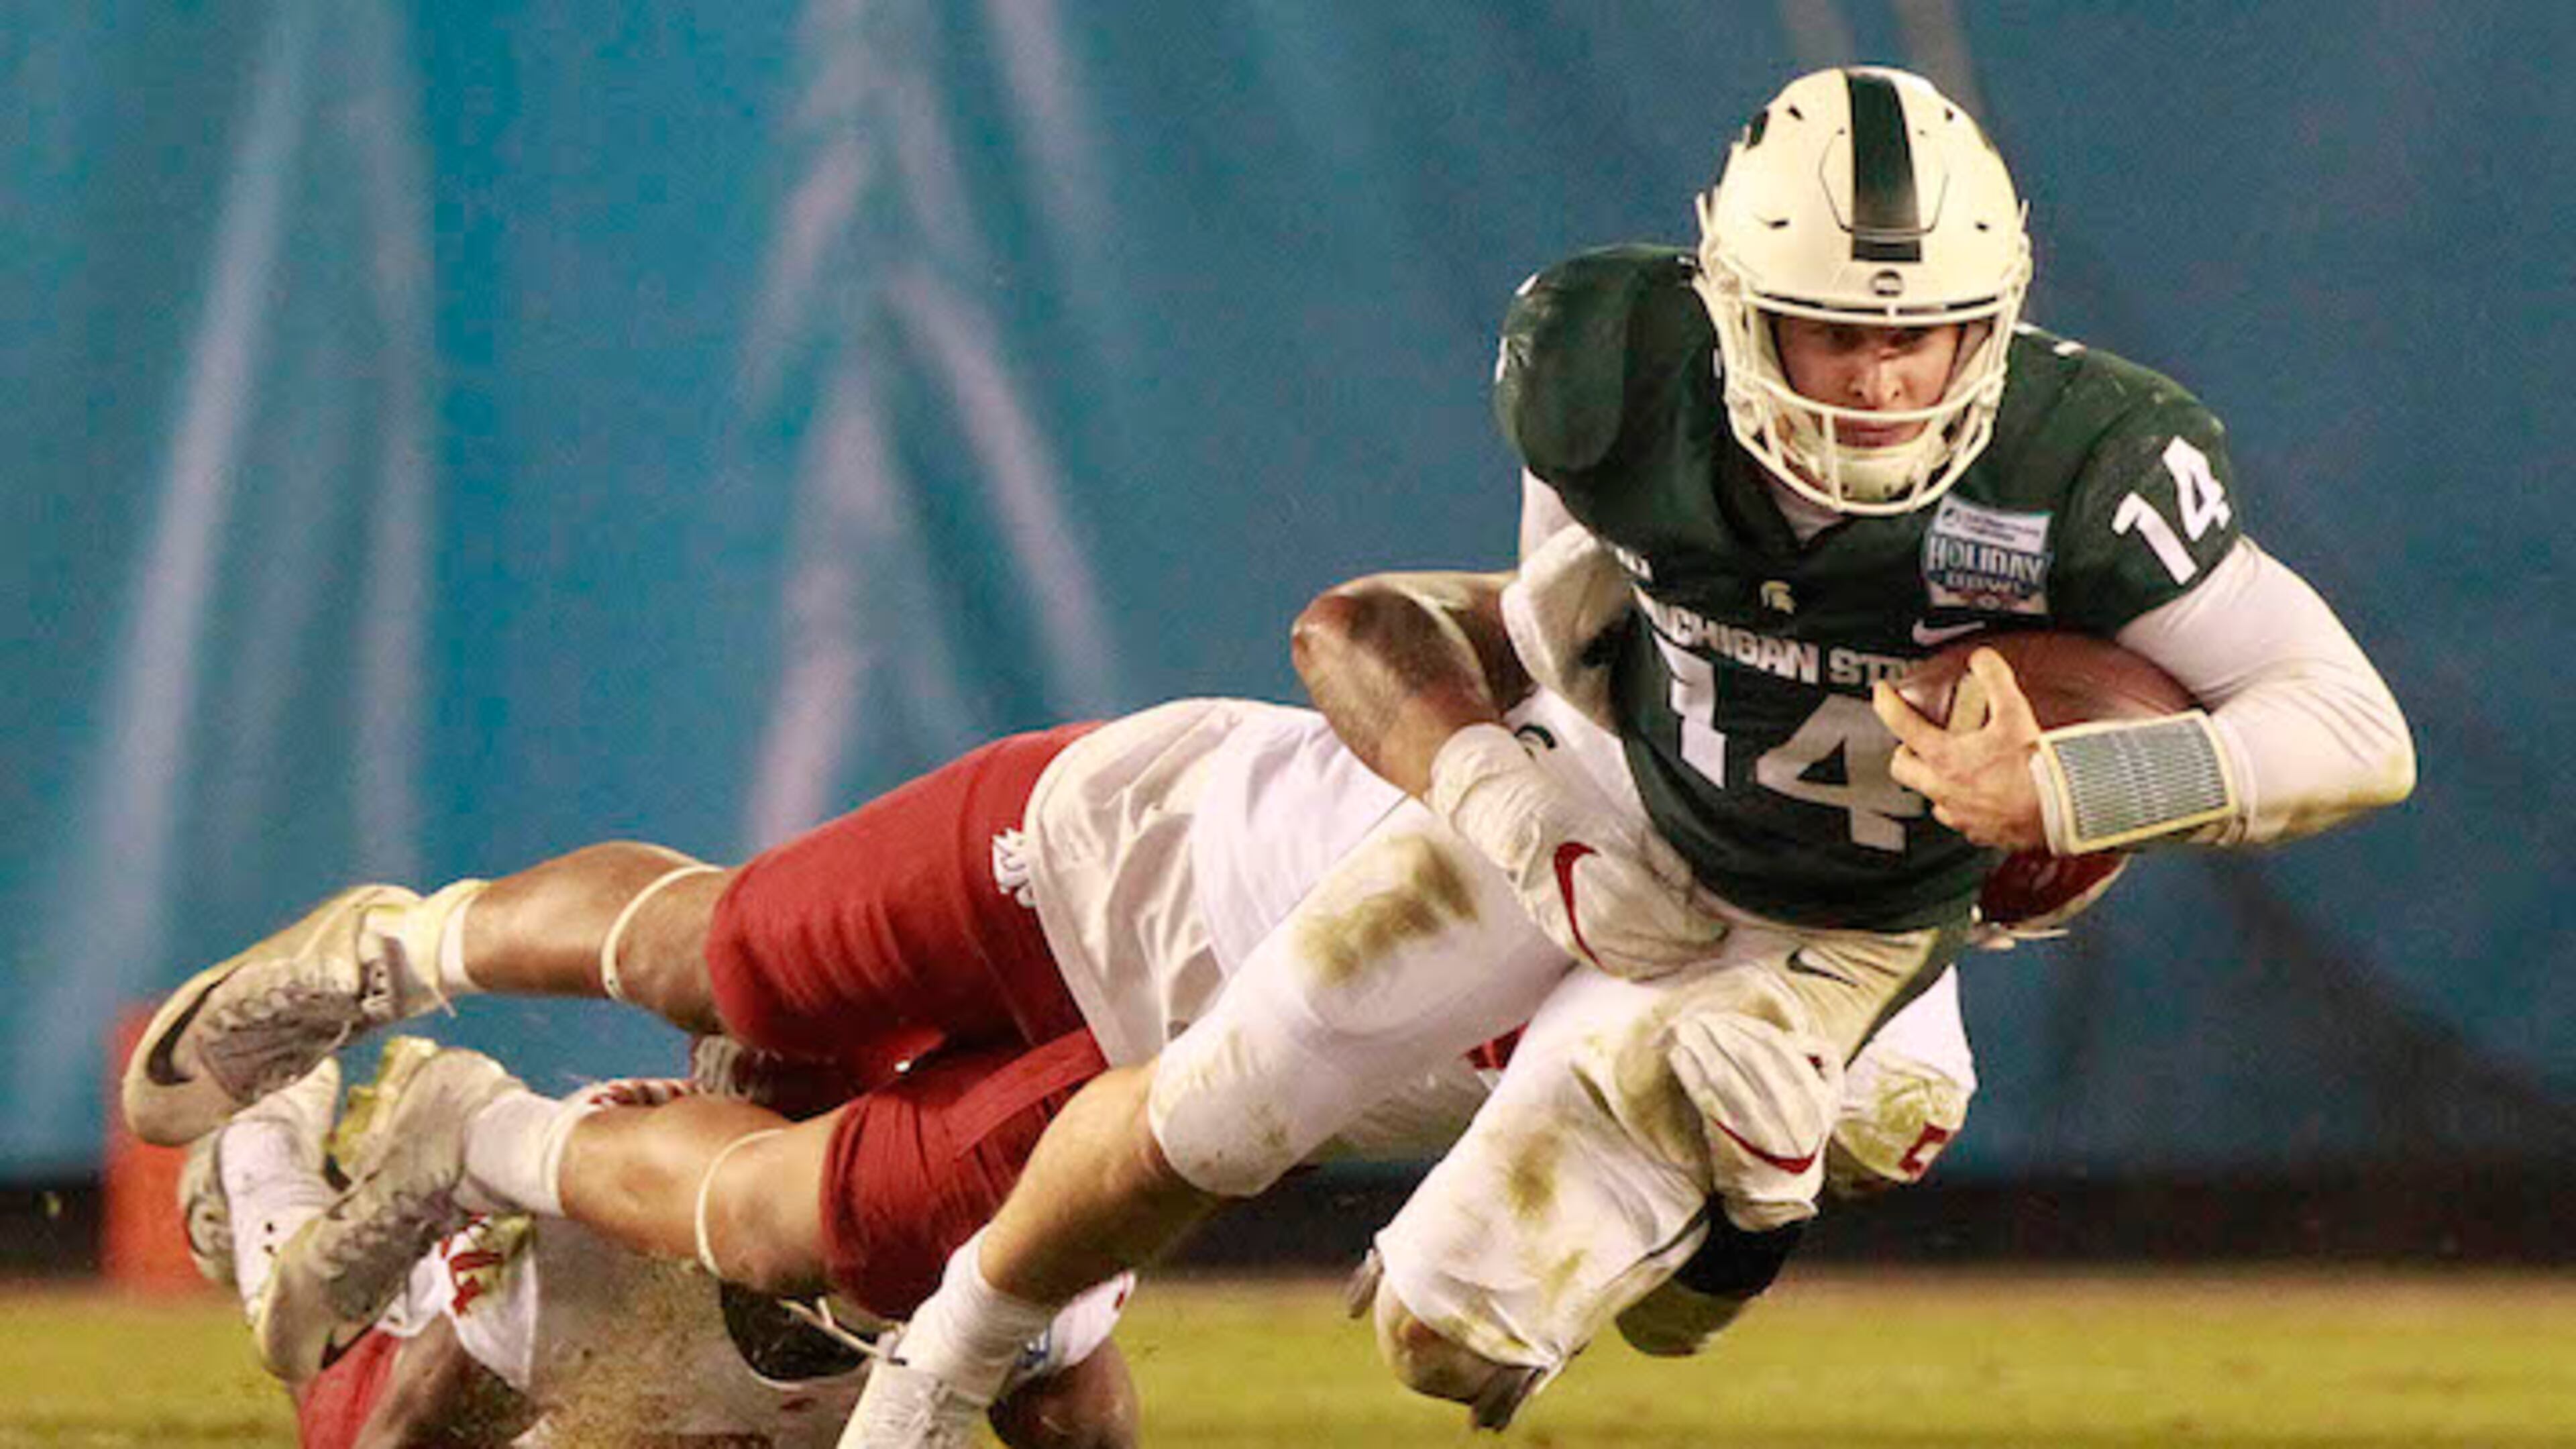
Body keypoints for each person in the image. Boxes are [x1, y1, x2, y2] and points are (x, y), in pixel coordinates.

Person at [844, 64, 2416, 1443]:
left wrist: (2067, 787)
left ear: (1996, 321)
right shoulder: (1614, 368)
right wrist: (1538, 825)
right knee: (1225, 1096)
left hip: (1843, 932)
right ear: (1732, 306)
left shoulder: (2090, 465)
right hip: (1634, 800)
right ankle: (941, 1364)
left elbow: (2354, 731)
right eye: (1828, 333)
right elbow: (1560, 621)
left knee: (1446, 1341)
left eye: (1926, 341)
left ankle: (1747, 1219)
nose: (1880, 382)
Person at [122, 684, 1988, 1430]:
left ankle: (472, 1138)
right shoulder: (1710, 720)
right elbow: (1361, 633)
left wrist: (1738, 1227)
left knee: (813, 1233)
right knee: (745, 960)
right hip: (1132, 840)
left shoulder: (1845, 1058)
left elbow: (1652, 1292)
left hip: (1202, 1062)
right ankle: (392, 955)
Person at [181, 1044, 1136, 1449]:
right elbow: (396, 1434)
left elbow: (1078, 1421)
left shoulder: (1020, 1233)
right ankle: (264, 1143)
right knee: (330, 1386)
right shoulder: (583, 1258)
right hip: (490, 1283)